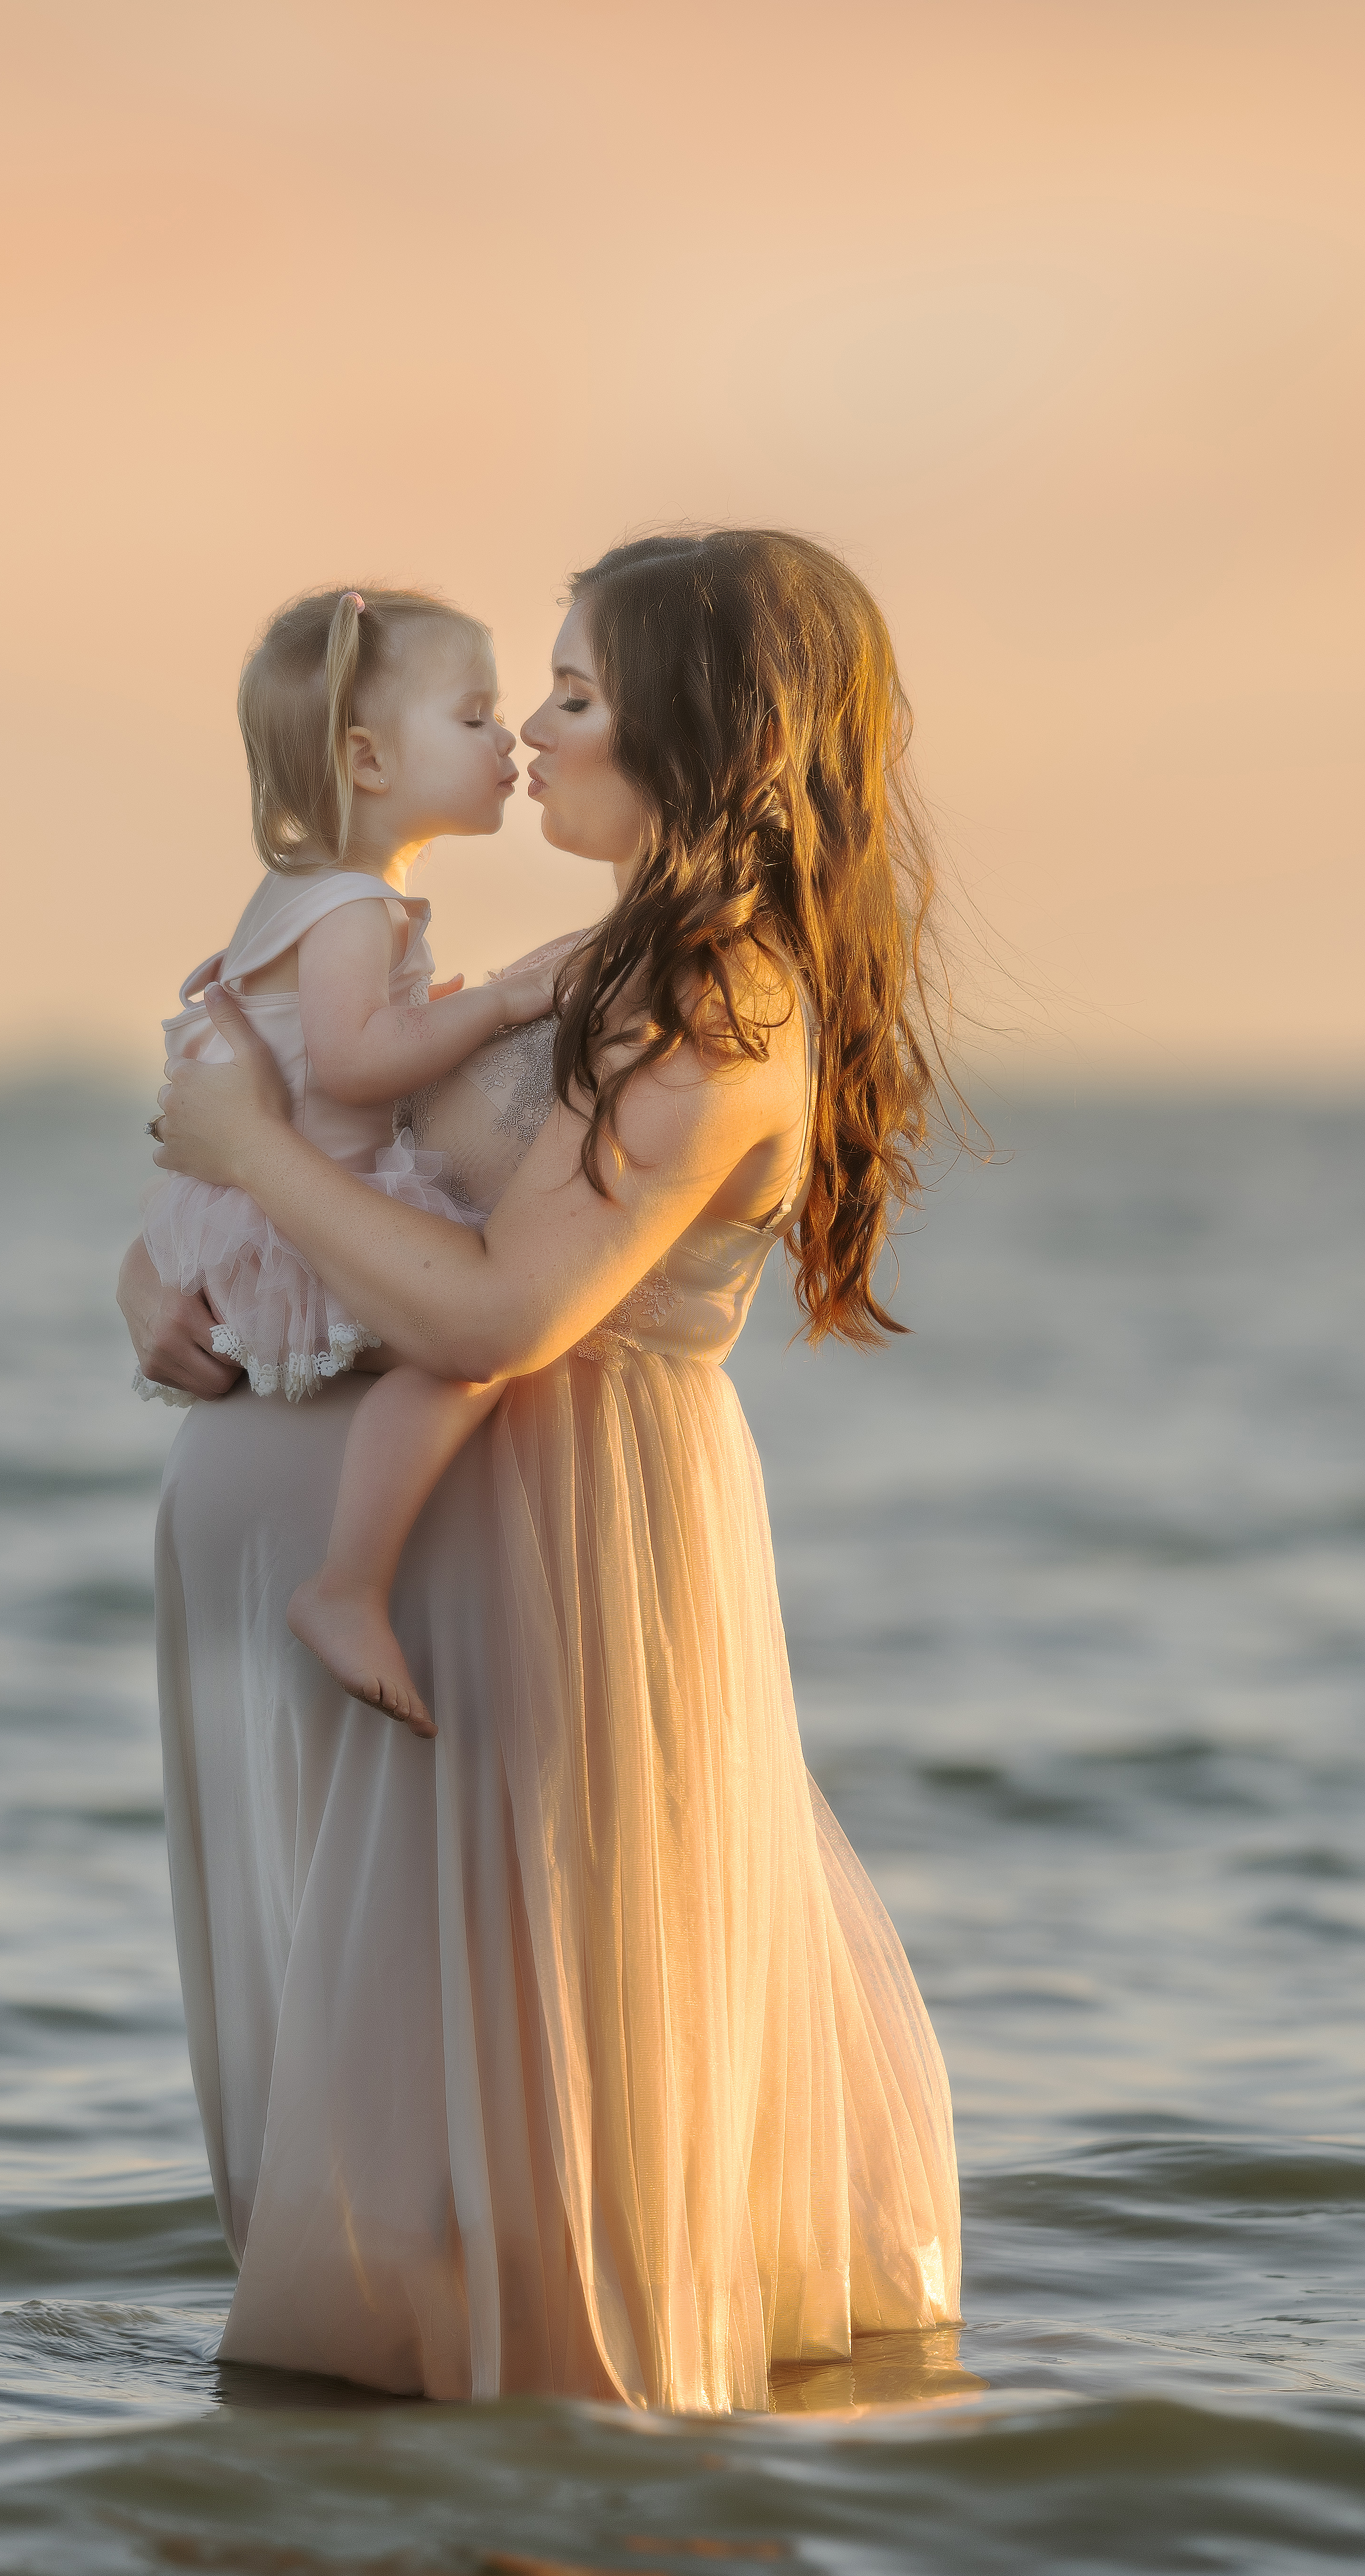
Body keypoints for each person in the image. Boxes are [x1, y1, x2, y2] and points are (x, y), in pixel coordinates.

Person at [128, 529, 965, 2411]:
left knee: (538, 2072)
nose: (537, 738)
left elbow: (507, 1307)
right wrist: (160, 1270)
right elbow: (359, 1167)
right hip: (434, 1569)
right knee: (409, 2096)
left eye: (578, 696)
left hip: (563, 1555)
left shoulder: (724, 1015)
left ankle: (546, 2480)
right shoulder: (589, 962)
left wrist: (250, 1157)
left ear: (704, 731)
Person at [134, 584, 559, 1736]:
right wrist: (498, 1006)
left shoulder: (306, 892)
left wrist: (436, 1015)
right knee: (459, 1360)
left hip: (251, 1211)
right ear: (367, 760)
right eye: (474, 718)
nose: (508, 741)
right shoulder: (356, 906)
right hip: (299, 1221)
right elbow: (356, 1062)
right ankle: (347, 1585)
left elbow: (331, 1050)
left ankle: (347, 1582)